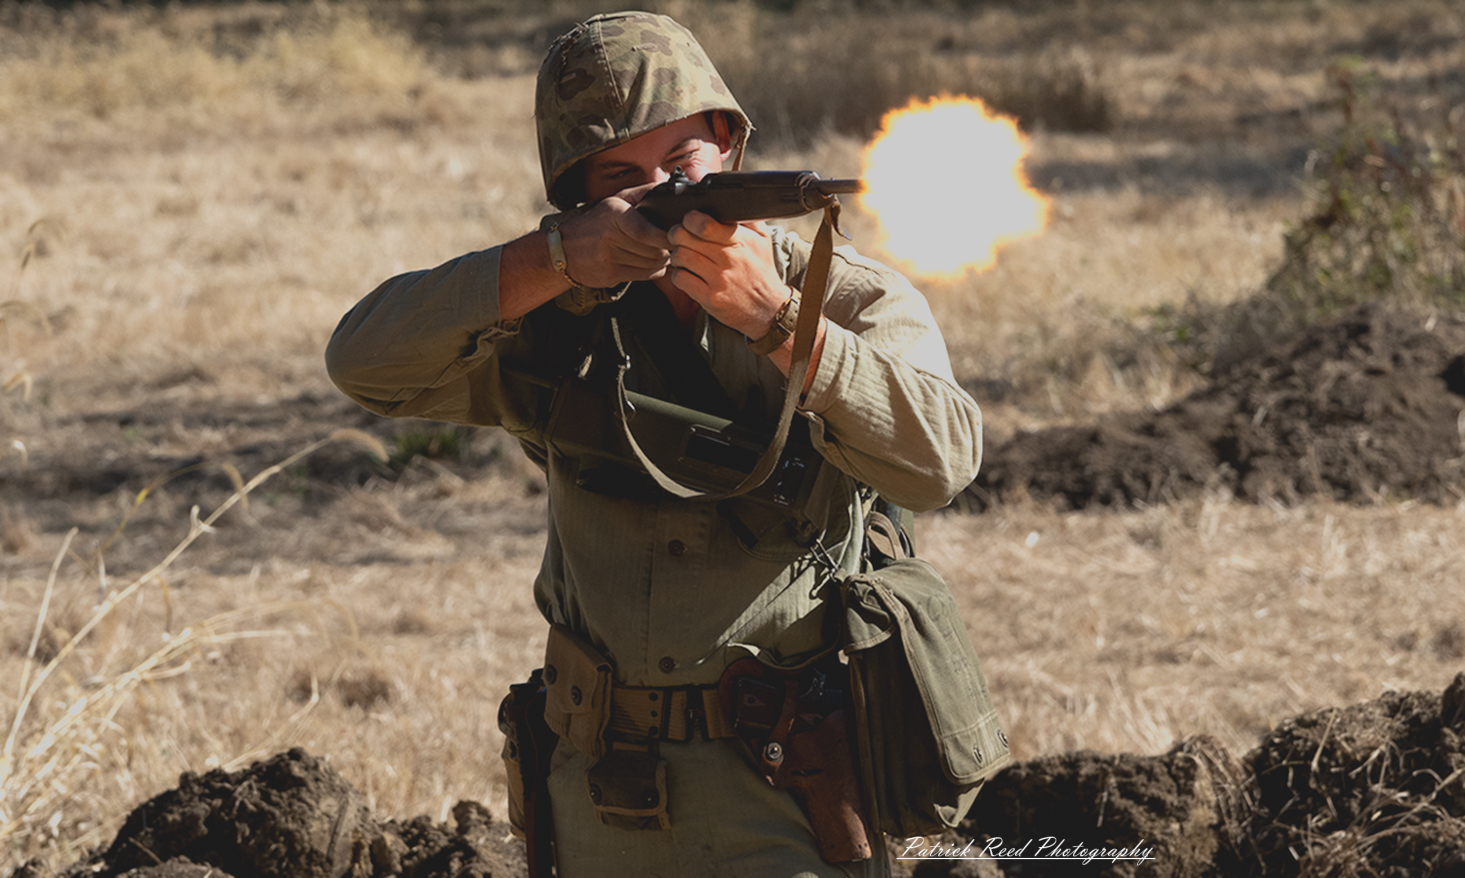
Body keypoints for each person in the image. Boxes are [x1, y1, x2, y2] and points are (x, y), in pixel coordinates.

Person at [325, 11, 981, 878]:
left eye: (682, 165)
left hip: (786, 785)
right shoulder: (556, 322)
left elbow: (942, 461)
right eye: (623, 179)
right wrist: (552, 263)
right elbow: (365, 362)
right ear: (579, 196)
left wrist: (778, 323)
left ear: (727, 149)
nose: (665, 195)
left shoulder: (845, 298)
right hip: (595, 785)